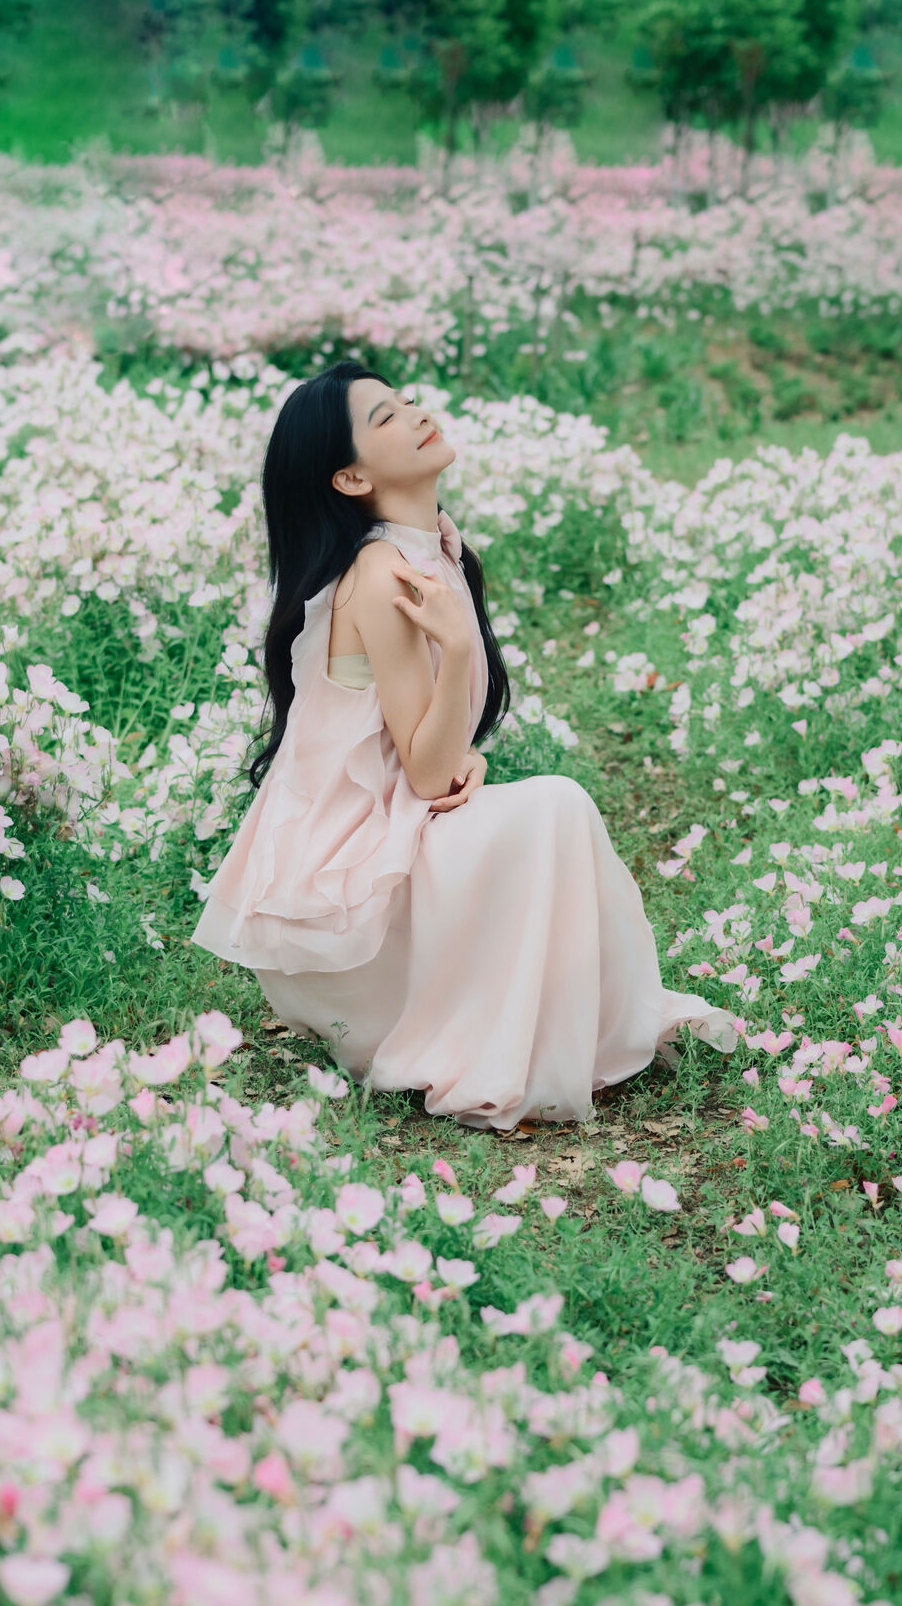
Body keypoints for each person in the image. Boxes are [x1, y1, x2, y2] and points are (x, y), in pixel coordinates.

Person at [191, 361, 737, 1131]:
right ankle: (494, 1039)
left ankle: (567, 1030)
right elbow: (426, 770)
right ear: (350, 479)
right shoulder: (380, 574)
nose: (416, 413)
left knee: (554, 812)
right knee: (556, 805)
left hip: (386, 861)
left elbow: (418, 746)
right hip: (358, 931)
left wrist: (463, 756)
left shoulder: (430, 552)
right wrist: (452, 654)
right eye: (385, 417)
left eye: (406, 400)